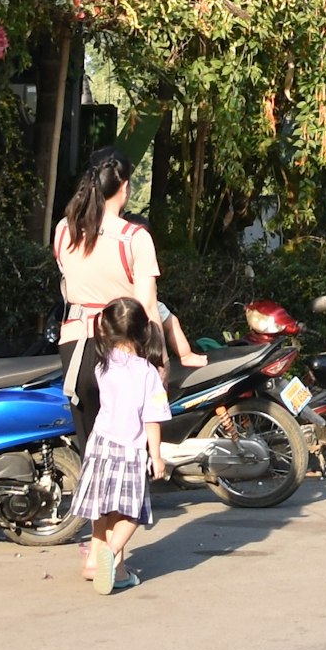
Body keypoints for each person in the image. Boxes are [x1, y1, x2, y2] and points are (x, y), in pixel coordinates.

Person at [55, 150, 197, 443]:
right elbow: (147, 306)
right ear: (125, 187)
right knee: (129, 449)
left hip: (75, 348)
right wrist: (161, 359)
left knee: (91, 453)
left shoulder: (63, 231)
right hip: (123, 348)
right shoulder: (135, 238)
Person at [77, 297, 164, 592]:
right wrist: (157, 456)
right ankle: (111, 553)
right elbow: (152, 419)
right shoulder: (148, 373)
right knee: (131, 512)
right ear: (143, 331)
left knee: (101, 507)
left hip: (100, 444)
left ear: (105, 330)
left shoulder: (102, 366)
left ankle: (100, 561)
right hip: (131, 450)